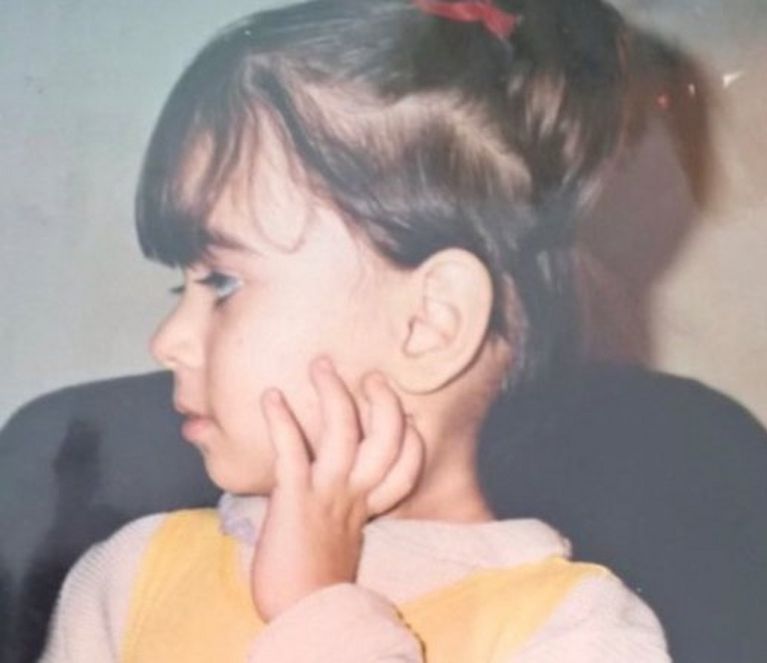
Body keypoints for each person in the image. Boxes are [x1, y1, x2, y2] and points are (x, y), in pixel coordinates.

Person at [40, 0, 670, 660]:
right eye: (183, 285)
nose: (167, 340)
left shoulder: (576, 631)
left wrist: (317, 613)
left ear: (430, 323)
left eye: (222, 283)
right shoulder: (130, 577)